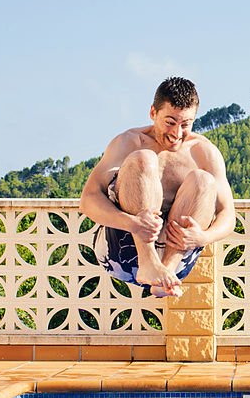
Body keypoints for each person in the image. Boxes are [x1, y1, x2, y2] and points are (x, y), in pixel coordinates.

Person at [80, 77, 235, 297]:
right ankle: (148, 262)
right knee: (143, 159)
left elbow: (228, 215)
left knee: (203, 180)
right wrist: (133, 223)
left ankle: (165, 276)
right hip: (123, 250)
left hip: (176, 261)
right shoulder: (129, 142)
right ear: (153, 113)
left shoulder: (204, 152)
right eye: (170, 122)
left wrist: (204, 238)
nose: (177, 133)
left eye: (185, 124)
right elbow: (88, 199)